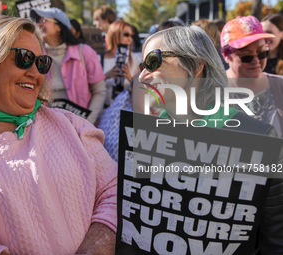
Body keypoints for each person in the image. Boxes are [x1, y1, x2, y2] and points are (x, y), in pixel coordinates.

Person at [0, 16, 117, 254]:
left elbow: (115, 189)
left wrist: (96, 245)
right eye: (24, 58)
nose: (36, 73)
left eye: (42, 63)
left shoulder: (71, 125)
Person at [138, 24, 283, 255]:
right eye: (142, 65)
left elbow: (276, 239)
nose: (142, 76)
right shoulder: (143, 135)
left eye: (153, 62)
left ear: (196, 65)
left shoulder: (257, 137)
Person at [30, 7, 106, 124]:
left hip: (79, 127)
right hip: (45, 126)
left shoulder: (86, 53)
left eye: (45, 20)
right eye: (39, 20)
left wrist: (86, 123)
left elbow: (99, 91)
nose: (39, 24)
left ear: (59, 26)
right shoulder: (35, 55)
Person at [221, 15, 283, 137]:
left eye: (262, 53)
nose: (256, 61)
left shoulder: (280, 87)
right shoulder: (209, 90)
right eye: (246, 57)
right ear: (226, 56)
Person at [104, 20, 142, 106]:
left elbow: (143, 90)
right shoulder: (99, 58)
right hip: (104, 111)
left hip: (126, 109)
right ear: (114, 34)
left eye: (132, 36)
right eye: (126, 34)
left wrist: (130, 78)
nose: (130, 39)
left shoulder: (136, 59)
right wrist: (105, 76)